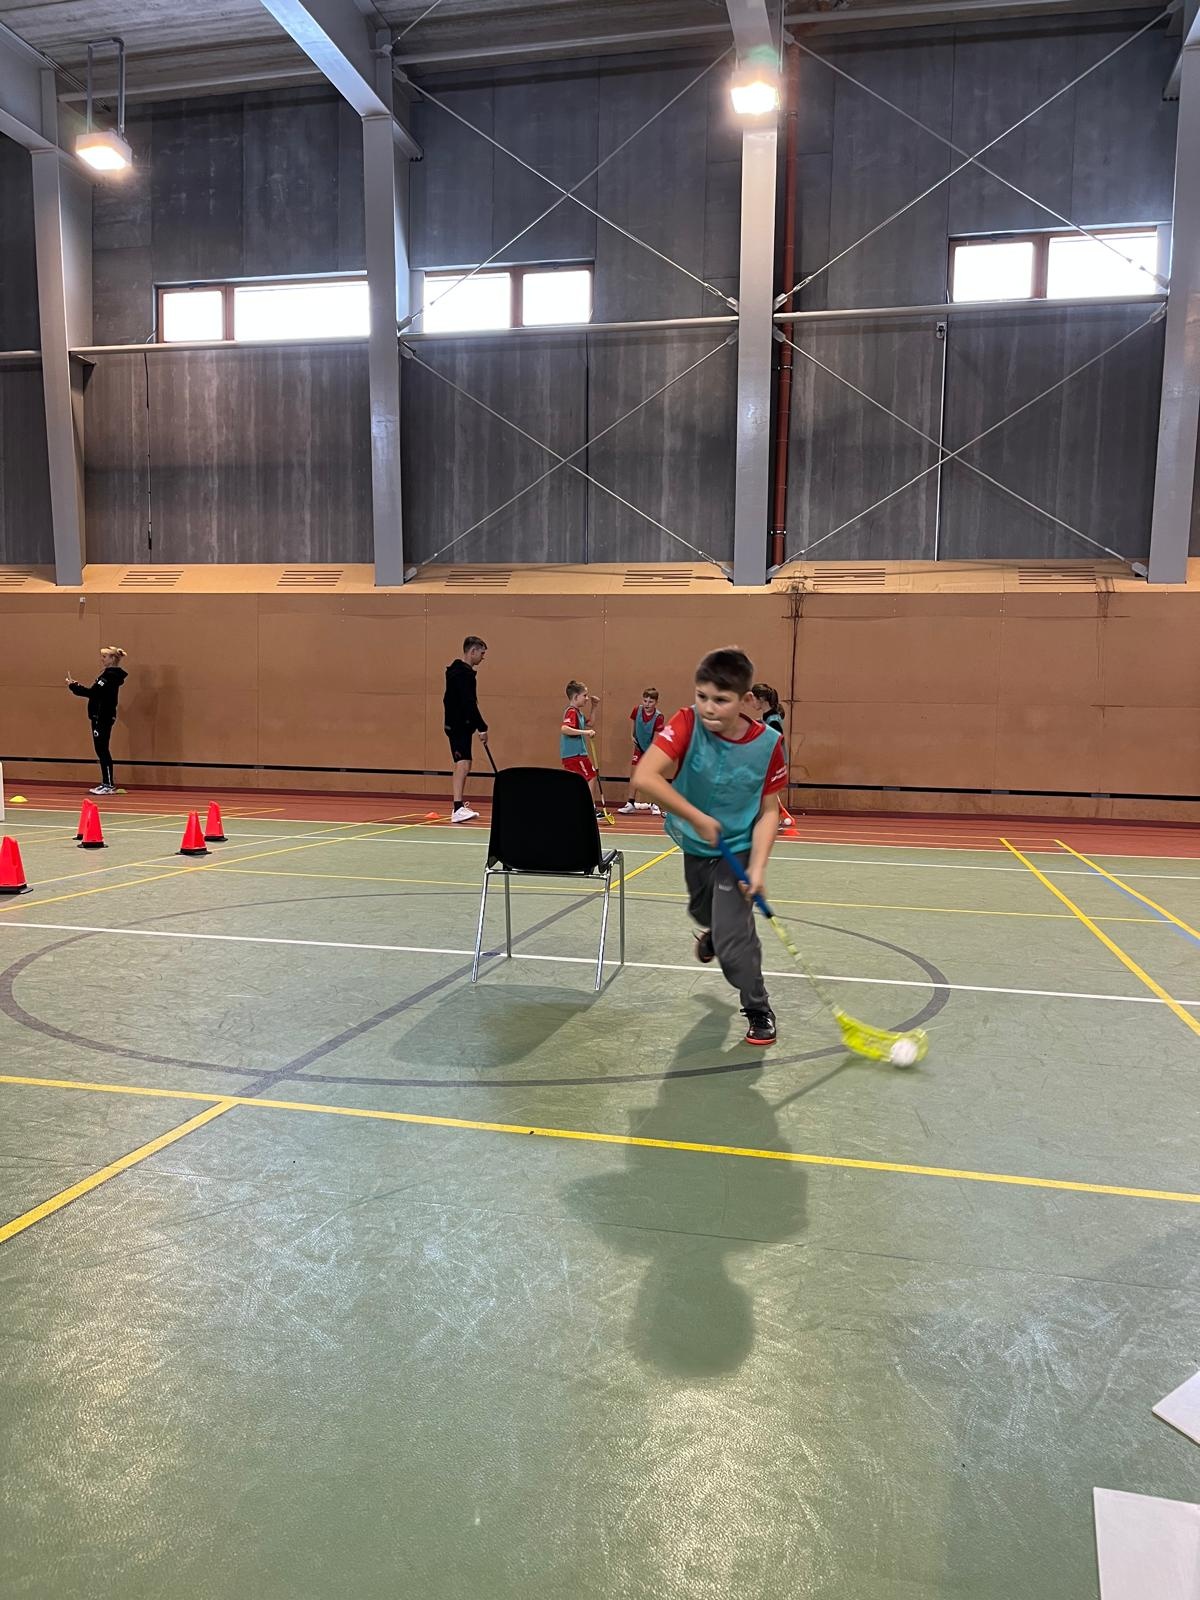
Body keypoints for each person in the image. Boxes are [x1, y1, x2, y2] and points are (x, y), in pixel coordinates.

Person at [633, 647, 788, 1046]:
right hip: (695, 841)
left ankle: (758, 1006)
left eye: (721, 700)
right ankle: (717, 931)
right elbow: (645, 777)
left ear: (744, 700)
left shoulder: (768, 744)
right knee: (703, 911)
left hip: (738, 847)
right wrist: (698, 818)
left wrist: (757, 868)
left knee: (736, 947)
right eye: (701, 696)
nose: (708, 707)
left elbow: (770, 810)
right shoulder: (687, 722)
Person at [67, 646, 128, 796]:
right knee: (101, 749)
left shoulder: (109, 676)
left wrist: (74, 687)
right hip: (100, 716)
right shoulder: (108, 675)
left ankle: (108, 784)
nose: (102, 659)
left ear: (112, 659)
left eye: (105, 657)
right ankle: (106, 783)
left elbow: (93, 693)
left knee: (102, 749)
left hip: (103, 716)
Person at [444, 636, 488, 823]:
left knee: (466, 763)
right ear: (472, 651)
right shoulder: (462, 675)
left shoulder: (462, 673)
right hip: (457, 725)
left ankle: (459, 805)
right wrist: (482, 727)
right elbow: (469, 703)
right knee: (462, 763)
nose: (483, 657)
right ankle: (457, 808)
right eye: (482, 653)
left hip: (462, 725)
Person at [751, 683, 796, 832]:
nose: (752, 702)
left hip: (774, 761)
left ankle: (772, 819)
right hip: (769, 760)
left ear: (761, 699)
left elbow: (777, 739)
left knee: (765, 791)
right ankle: (775, 817)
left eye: (753, 698)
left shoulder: (773, 719)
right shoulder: (766, 716)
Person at [560, 681, 608, 820]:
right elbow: (565, 729)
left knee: (578, 781)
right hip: (575, 754)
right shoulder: (571, 712)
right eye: (584, 695)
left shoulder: (578, 713)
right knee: (591, 776)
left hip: (578, 754)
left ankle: (578, 808)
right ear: (576, 697)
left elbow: (590, 723)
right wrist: (585, 733)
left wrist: (594, 707)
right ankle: (590, 809)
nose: (587, 698)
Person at [617, 687, 664, 815]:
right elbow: (633, 720)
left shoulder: (658, 717)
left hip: (652, 749)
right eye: (645, 701)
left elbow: (656, 739)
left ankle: (654, 803)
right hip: (639, 747)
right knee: (634, 775)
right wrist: (631, 735)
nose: (647, 704)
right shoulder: (637, 710)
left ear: (656, 702)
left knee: (652, 777)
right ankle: (630, 803)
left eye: (651, 702)